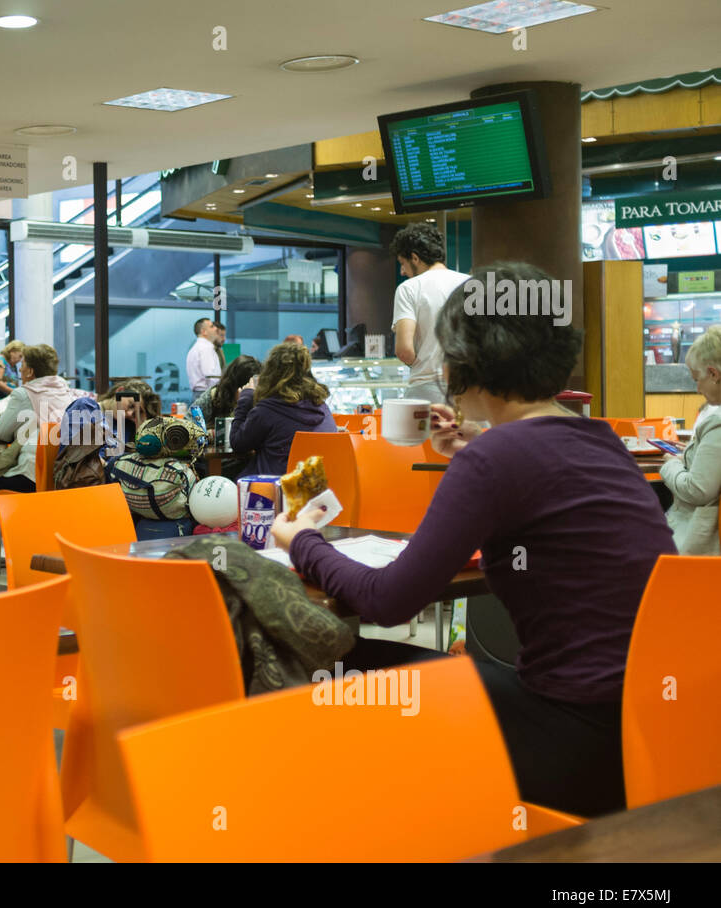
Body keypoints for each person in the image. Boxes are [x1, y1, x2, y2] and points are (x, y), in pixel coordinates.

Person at [272, 262, 676, 818]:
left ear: (463, 359)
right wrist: (470, 450)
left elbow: (389, 601)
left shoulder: (496, 458)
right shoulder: (598, 439)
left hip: (572, 739)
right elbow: (546, 492)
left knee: (330, 658)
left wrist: (302, 542)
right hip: (649, 728)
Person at [0, 344, 87, 537]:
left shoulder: (24, 394)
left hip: (34, 474)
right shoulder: (67, 391)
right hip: (65, 475)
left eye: (23, 364)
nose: (19, 369)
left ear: (30, 371)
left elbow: (2, 432)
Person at [389, 222, 469, 404]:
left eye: (403, 263)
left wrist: (422, 364)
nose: (402, 271)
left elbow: (403, 350)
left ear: (415, 258)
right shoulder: (471, 283)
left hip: (427, 390)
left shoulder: (409, 288)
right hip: (470, 388)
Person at [229, 343, 337, 476]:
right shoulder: (322, 407)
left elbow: (237, 444)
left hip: (275, 487)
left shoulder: (267, 411)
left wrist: (245, 398)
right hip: (314, 485)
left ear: (271, 372)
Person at [660, 324, 721, 554]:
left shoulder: (717, 423)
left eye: (697, 379)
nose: (697, 389)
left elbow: (697, 489)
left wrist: (671, 465)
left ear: (714, 374)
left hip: (698, 543)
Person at [195, 354, 261, 424]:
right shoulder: (214, 396)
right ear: (233, 385)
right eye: (245, 389)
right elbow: (186, 426)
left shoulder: (260, 402)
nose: (249, 394)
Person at [185, 318, 222, 399]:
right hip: (207, 394)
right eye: (212, 326)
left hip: (199, 394)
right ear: (204, 332)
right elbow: (211, 376)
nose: (216, 328)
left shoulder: (196, 348)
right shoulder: (205, 348)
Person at [0, 340, 24, 408]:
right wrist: (15, 392)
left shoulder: (12, 365)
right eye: (20, 356)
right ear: (12, 351)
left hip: (8, 402)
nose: (20, 360)